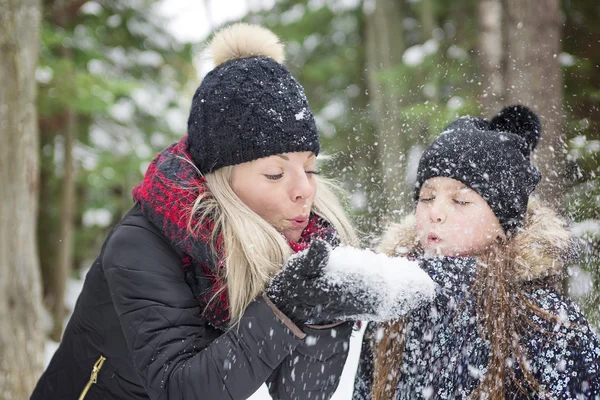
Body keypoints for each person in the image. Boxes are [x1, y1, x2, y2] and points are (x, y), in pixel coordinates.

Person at [32, 23, 436, 400]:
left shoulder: (297, 242)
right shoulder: (140, 247)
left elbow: (298, 393)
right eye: (276, 173)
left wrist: (319, 317)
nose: (305, 191)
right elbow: (179, 388)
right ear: (221, 178)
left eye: (309, 168)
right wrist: (283, 310)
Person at [353, 105, 600, 399]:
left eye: (460, 201)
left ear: (502, 222)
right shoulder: (398, 303)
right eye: (427, 197)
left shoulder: (547, 320)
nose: (436, 212)